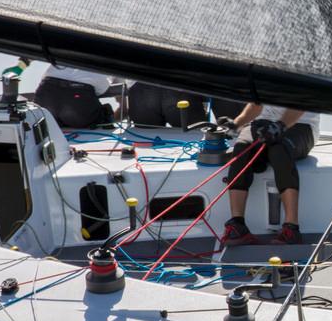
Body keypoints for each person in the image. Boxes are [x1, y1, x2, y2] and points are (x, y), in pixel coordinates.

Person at [220, 103, 320, 246]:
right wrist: (234, 125)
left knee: (279, 149)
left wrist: (280, 126)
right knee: (242, 148)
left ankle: (291, 228)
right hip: (262, 124)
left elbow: (300, 103)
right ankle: (237, 225)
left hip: (301, 126)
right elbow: (256, 104)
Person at [34, 67, 117, 128]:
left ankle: (61, 120)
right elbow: (102, 90)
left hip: (45, 96)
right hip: (77, 109)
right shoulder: (106, 61)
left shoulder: (64, 54)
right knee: (103, 112)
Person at [124, 81, 207, 127]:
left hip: (141, 92)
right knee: (193, 137)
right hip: (180, 86)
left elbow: (122, 108)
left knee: (147, 138)